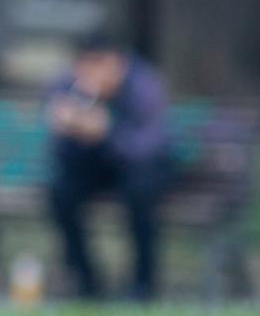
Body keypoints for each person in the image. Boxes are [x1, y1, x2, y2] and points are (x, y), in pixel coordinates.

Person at [44, 33, 173, 302]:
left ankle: (142, 284)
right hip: (94, 167)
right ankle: (85, 280)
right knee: (60, 191)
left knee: (140, 191)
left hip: (137, 168)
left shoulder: (143, 86)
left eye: (98, 64)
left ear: (118, 64)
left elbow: (150, 149)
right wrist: (68, 128)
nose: (91, 73)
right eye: (84, 64)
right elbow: (60, 154)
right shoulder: (68, 86)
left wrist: (107, 133)